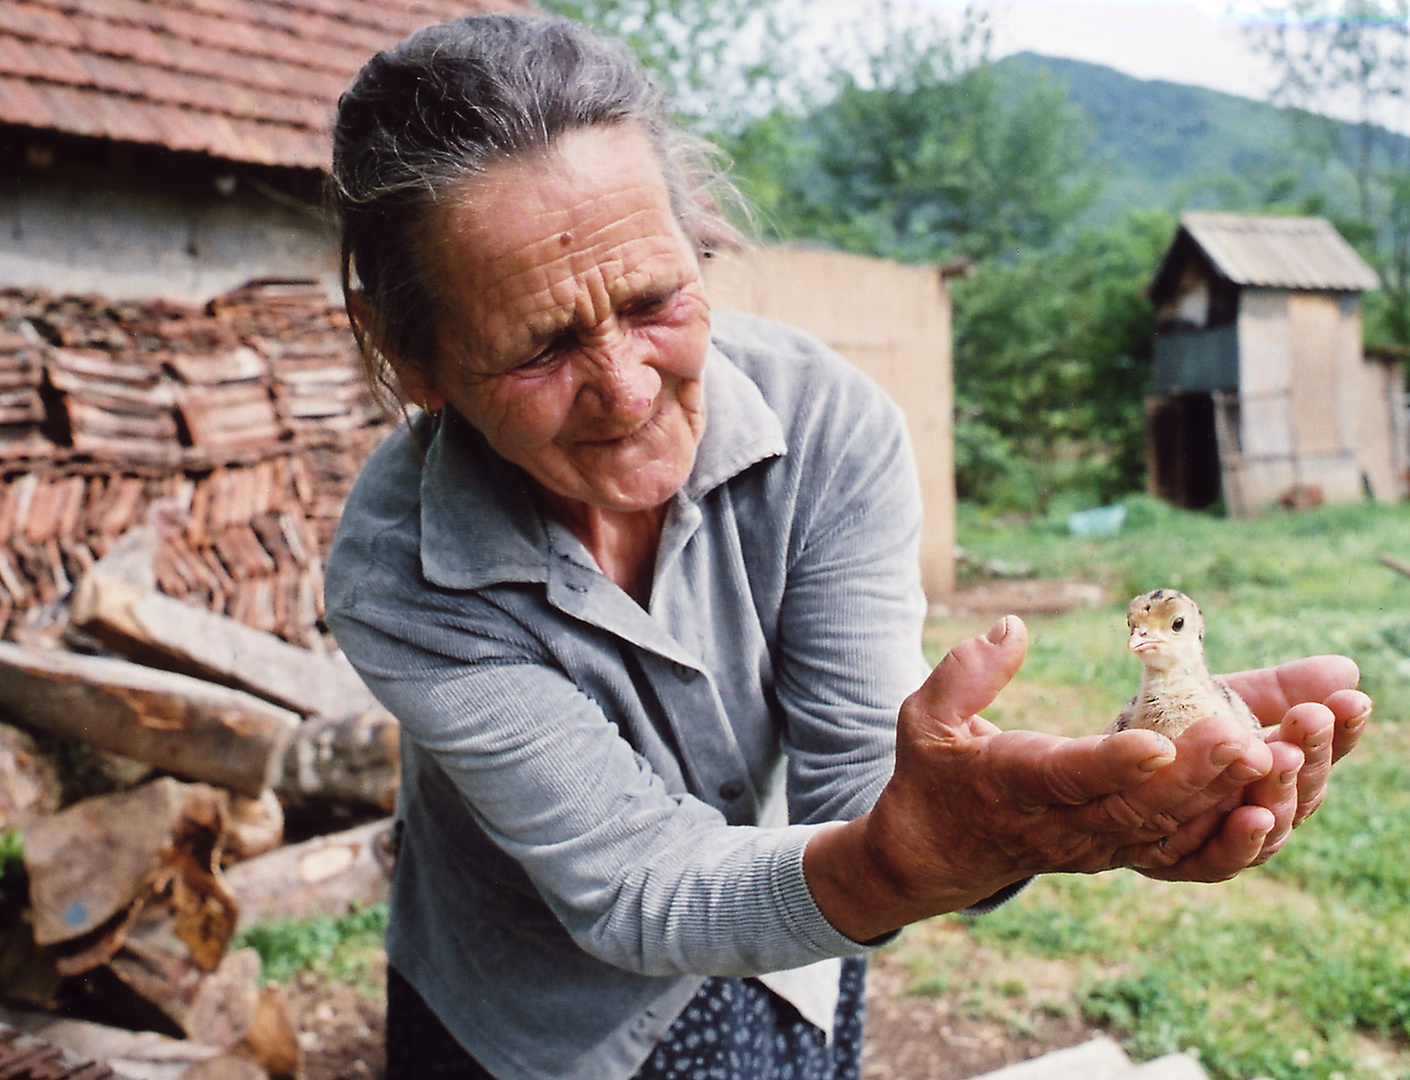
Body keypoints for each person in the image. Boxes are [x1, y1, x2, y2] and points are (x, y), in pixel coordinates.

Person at [323, 13, 1371, 1080]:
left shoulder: (828, 430)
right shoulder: (400, 569)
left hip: (803, 916)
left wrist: (1059, 803)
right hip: (525, 1012)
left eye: (654, 301)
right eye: (541, 346)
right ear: (418, 360)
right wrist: (913, 856)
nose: (628, 390)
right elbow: (638, 882)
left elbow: (871, 800)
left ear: (701, 244)